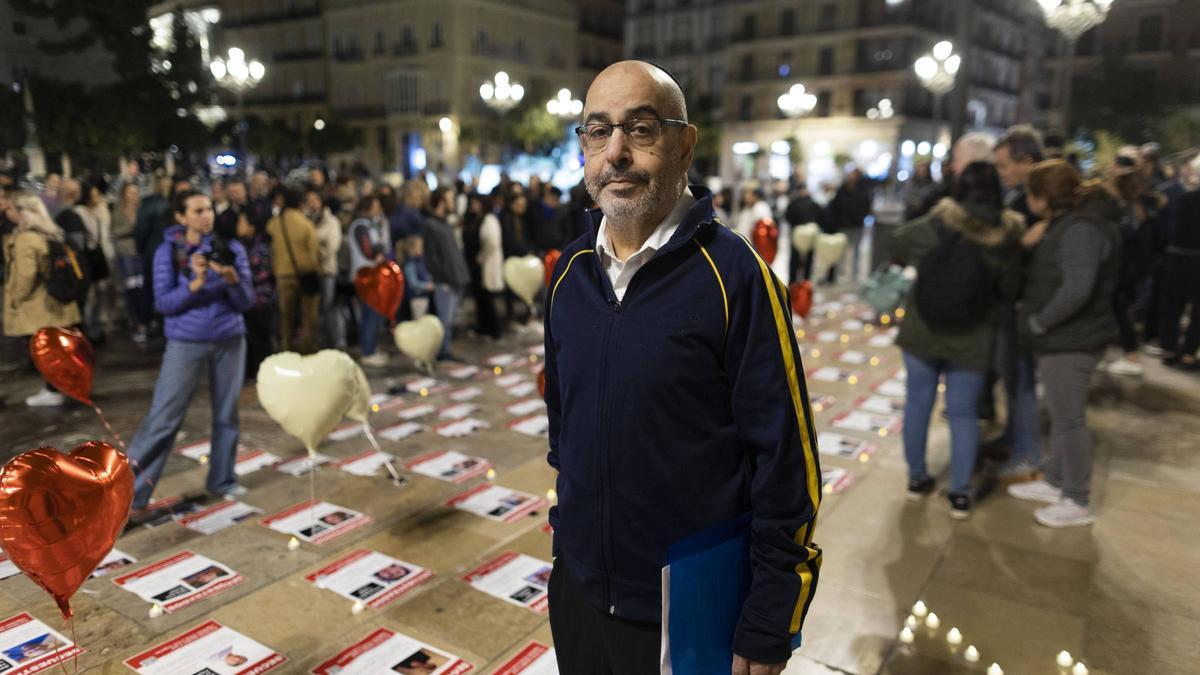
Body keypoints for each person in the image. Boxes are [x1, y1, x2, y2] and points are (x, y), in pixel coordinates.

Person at [544, 61, 821, 675]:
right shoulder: (569, 274)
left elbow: (786, 464)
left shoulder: (737, 277)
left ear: (684, 144)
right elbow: (562, 426)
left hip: (689, 614)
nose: (615, 152)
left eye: (639, 129)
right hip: (580, 595)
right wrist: (569, 539)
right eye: (597, 131)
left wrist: (773, 615)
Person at [887, 162, 1024, 518]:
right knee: (963, 414)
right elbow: (1010, 290)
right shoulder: (1006, 234)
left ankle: (917, 480)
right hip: (974, 337)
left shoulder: (937, 222)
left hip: (922, 331)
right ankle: (960, 495)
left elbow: (895, 241)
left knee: (918, 404)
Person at [1008, 160, 1122, 528]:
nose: (1027, 200)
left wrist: (1041, 321)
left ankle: (1077, 498)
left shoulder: (1080, 230)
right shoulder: (1068, 224)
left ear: (1045, 196)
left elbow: (1077, 288)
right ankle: (1056, 480)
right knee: (1060, 413)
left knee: (1070, 419)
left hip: (1072, 339)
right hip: (1064, 336)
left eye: (1031, 193)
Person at [126, 190, 255, 513]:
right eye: (197, 211)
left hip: (230, 339)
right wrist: (194, 284)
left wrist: (232, 281)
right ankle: (129, 495)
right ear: (181, 218)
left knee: (226, 414)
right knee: (164, 419)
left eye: (209, 209)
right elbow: (164, 304)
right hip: (186, 342)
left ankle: (222, 479)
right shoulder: (168, 252)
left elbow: (246, 302)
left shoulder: (231, 248)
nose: (206, 216)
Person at [988, 126, 1045, 481]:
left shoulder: (1041, 199)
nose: (1001, 173)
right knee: (1011, 377)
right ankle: (1014, 436)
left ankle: (1029, 454)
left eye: (1005, 165)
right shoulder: (1020, 197)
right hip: (1013, 301)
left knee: (1022, 380)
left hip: (1028, 304)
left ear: (1027, 161)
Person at [3, 194, 82, 406]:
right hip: (56, 301)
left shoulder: (25, 238)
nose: (7, 212)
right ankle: (61, 387)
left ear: (22, 213)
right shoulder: (51, 232)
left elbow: (26, 275)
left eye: (11, 209)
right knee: (57, 347)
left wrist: (15, 298)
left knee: (44, 350)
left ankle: (53, 390)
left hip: (38, 305)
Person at [267, 188, 321, 354]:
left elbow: (271, 250)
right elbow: (314, 251)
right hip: (306, 273)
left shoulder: (274, 223)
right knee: (308, 316)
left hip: (282, 274)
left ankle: (286, 348)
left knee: (286, 316)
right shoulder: (305, 223)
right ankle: (307, 347)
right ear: (300, 203)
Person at [421, 187, 471, 360]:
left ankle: (445, 350)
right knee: (444, 320)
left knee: (449, 320)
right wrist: (446, 277)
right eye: (449, 199)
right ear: (441, 202)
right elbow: (432, 258)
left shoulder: (445, 223)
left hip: (455, 279)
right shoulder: (431, 225)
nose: (453, 203)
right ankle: (442, 352)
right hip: (446, 282)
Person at [1159, 186, 1200, 369]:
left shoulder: (1184, 198)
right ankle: (1188, 353)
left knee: (1173, 305)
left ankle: (1168, 349)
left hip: (1178, 257)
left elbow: (1171, 228)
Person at [347, 195, 390, 367]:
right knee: (370, 315)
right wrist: (379, 248)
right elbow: (369, 250)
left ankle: (371, 347)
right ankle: (367, 351)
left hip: (373, 275)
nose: (378, 209)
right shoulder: (359, 226)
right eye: (375, 206)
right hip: (365, 276)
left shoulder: (371, 225)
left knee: (375, 314)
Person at [235, 211, 276, 380]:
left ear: (251, 227)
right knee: (250, 337)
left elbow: (264, 272)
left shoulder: (262, 246)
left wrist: (239, 278)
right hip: (247, 298)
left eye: (242, 222)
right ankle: (249, 372)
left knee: (261, 337)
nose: (239, 225)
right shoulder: (241, 245)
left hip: (261, 299)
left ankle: (264, 373)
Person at [304, 188, 346, 349]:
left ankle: (338, 340)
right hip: (312, 270)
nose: (312, 203)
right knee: (317, 308)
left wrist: (316, 251)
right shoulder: (306, 220)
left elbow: (333, 245)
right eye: (309, 200)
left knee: (330, 305)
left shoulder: (331, 221)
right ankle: (320, 340)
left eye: (315, 199)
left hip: (327, 270)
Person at [111, 181, 151, 342]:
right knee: (132, 289)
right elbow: (114, 231)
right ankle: (136, 322)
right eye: (130, 192)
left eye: (135, 192)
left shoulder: (143, 209)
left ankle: (145, 321)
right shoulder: (118, 210)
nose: (133, 195)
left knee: (143, 288)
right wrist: (130, 228)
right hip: (126, 253)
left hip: (141, 252)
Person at [462, 193, 503, 340]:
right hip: (478, 265)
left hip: (485, 264)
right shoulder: (477, 219)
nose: (473, 206)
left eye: (476, 203)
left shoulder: (489, 219)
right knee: (481, 299)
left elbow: (491, 242)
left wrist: (481, 257)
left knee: (487, 299)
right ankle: (484, 327)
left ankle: (494, 330)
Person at [403, 236, 435, 318]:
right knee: (420, 322)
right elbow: (413, 283)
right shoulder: (410, 264)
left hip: (425, 296)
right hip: (417, 298)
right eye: (420, 246)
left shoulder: (420, 261)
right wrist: (427, 286)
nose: (422, 248)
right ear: (413, 248)